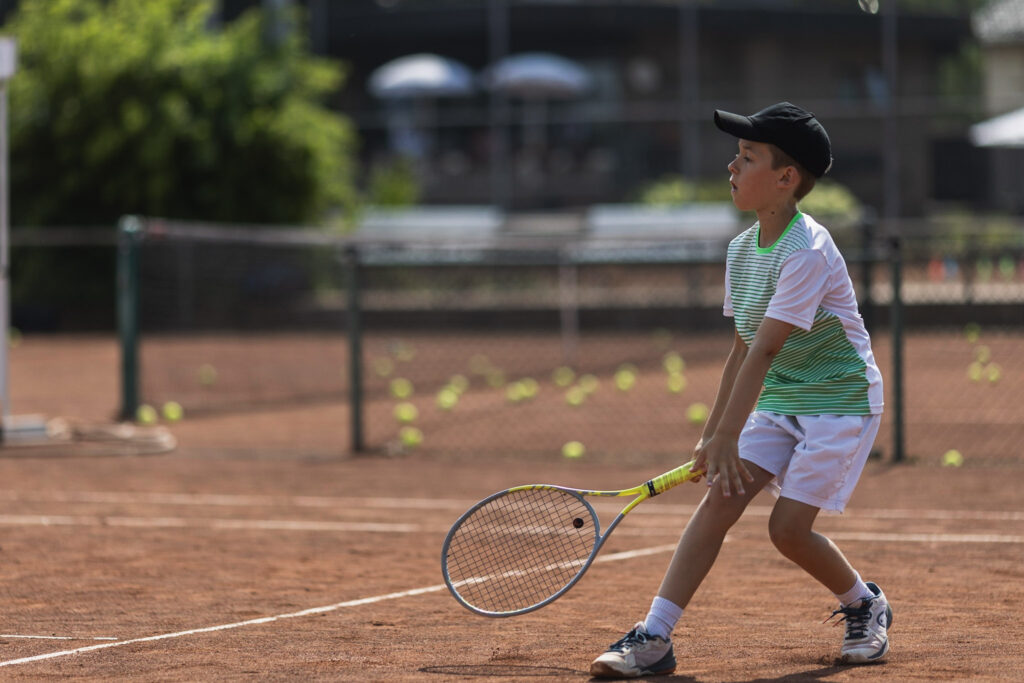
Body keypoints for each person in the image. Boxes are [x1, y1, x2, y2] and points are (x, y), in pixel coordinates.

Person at [590, 102, 890, 678]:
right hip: (780, 397)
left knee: (787, 530)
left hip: (838, 401)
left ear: (786, 177)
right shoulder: (740, 250)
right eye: (736, 155)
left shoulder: (807, 250)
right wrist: (712, 436)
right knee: (719, 502)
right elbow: (741, 348)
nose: (732, 166)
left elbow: (766, 349)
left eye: (748, 157)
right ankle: (654, 637)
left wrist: (730, 433)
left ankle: (864, 603)